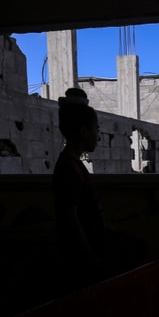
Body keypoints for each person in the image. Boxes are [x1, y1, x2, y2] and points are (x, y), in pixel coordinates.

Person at [53, 88, 105, 289]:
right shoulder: (70, 169)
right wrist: (91, 259)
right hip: (81, 262)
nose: (98, 136)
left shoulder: (72, 164)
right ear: (84, 131)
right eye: (96, 129)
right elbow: (70, 220)